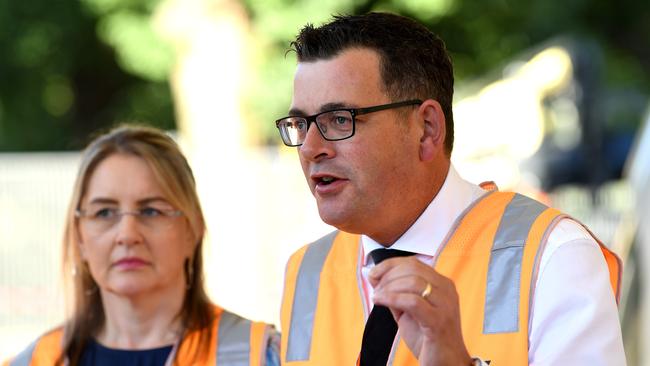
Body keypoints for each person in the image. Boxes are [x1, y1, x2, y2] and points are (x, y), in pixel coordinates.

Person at [275, 12, 625, 365]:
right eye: (301, 124)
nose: (309, 147)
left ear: (426, 129)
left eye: (339, 120)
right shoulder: (305, 272)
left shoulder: (552, 255)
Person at [3, 125, 280, 366]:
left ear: (193, 229)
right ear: (79, 237)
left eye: (150, 211)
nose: (127, 234)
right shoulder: (36, 361)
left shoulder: (257, 355)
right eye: (104, 213)